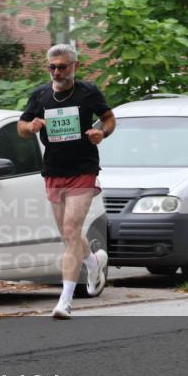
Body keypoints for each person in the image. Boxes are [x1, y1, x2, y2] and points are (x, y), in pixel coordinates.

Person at [18, 43, 115, 320]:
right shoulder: (40, 95)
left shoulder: (88, 92)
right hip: (54, 170)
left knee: (72, 229)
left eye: (62, 66)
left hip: (83, 169)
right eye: (52, 67)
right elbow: (21, 128)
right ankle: (93, 261)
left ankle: (65, 300)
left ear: (75, 66)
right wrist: (31, 126)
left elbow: (108, 119)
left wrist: (101, 133)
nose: (57, 72)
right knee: (68, 234)